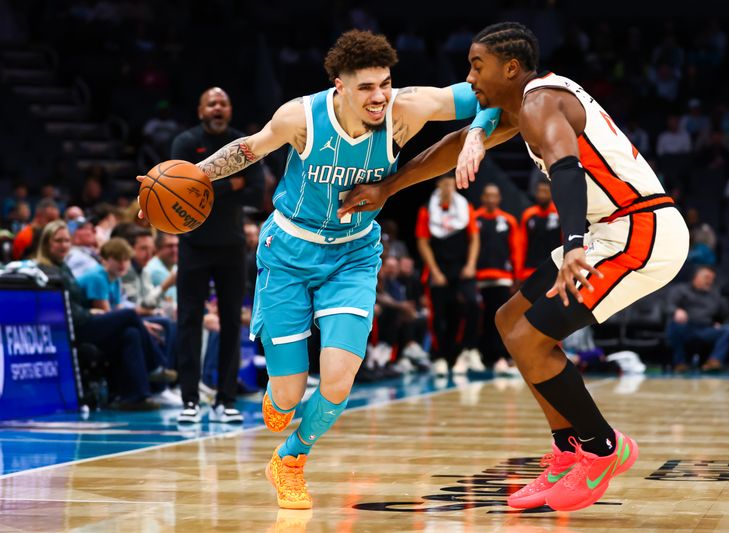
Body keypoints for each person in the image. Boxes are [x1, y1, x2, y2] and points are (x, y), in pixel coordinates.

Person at [138, 29, 499, 509]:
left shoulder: (406, 110)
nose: (379, 96)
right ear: (339, 85)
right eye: (366, 87)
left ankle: (289, 461)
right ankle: (282, 400)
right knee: (286, 395)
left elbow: (491, 93)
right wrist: (188, 178)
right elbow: (248, 148)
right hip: (289, 253)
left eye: (385, 83)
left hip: (352, 255)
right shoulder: (301, 117)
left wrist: (477, 132)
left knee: (336, 379)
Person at [340, 22, 689, 512]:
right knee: (509, 321)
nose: (470, 76)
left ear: (510, 68)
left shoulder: (540, 101)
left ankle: (602, 447)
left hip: (639, 230)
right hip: (609, 230)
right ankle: (567, 450)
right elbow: (454, 145)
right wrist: (387, 188)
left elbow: (566, 168)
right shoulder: (522, 106)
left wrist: (571, 245)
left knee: (531, 338)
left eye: (477, 66)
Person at [169, 87, 265, 426]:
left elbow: (256, 189)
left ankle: (226, 400)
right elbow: (179, 189)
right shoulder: (184, 143)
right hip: (193, 244)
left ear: (230, 109)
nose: (218, 107)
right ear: (200, 110)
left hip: (231, 246)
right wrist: (230, 185)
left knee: (230, 324)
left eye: (223, 102)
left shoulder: (244, 144)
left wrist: (205, 187)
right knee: (189, 322)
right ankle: (190, 399)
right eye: (211, 102)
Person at [34, 221, 173, 410]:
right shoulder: (48, 270)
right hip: (76, 326)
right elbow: (67, 308)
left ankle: (135, 396)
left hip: (85, 319)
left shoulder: (64, 267)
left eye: (67, 240)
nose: (64, 245)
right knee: (129, 316)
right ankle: (156, 366)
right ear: (46, 243)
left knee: (130, 333)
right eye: (58, 240)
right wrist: (89, 311)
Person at [416, 175, 482, 376]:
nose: (448, 187)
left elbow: (474, 238)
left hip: (462, 267)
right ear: (437, 185)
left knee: (472, 305)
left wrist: (471, 264)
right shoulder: (427, 208)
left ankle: (464, 351)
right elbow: (422, 241)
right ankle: (440, 357)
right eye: (444, 183)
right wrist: (434, 271)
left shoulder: (465, 206)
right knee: (438, 315)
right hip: (439, 268)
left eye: (451, 183)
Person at [474, 183, 520, 375]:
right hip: (478, 278)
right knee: (480, 320)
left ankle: (501, 357)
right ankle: (482, 356)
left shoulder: (508, 220)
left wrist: (516, 277)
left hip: (502, 278)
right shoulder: (474, 219)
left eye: (494, 196)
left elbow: (516, 249)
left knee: (501, 319)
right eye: (487, 195)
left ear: (499, 198)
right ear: (482, 198)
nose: (491, 199)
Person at [666, 265, 729, 372]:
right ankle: (680, 363)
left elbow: (727, 315)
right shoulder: (681, 290)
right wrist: (676, 311)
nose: (710, 281)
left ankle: (713, 361)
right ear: (696, 277)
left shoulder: (715, 294)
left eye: (712, 279)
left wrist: (719, 323)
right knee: (673, 326)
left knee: (727, 329)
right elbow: (668, 306)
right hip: (687, 327)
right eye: (707, 278)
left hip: (706, 329)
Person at [518, 180, 561, 280]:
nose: (542, 195)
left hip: (554, 267)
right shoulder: (528, 214)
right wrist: (519, 272)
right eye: (539, 191)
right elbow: (521, 244)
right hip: (531, 269)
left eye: (545, 191)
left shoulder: (559, 214)